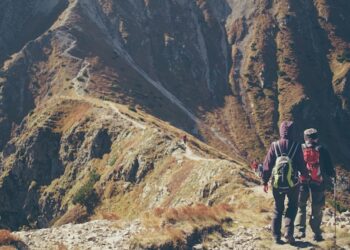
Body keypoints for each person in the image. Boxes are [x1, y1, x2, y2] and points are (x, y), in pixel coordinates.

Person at [262, 121, 309, 245]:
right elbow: (302, 165)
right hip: (293, 184)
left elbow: (267, 165)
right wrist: (305, 176)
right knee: (292, 206)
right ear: (293, 132)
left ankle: (276, 236)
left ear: (281, 131)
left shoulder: (274, 145)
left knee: (278, 209)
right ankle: (288, 232)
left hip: (277, 184)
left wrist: (265, 181)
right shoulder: (296, 145)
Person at [295, 128, 335, 241]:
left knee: (301, 207)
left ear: (305, 138)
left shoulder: (300, 148)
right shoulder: (322, 150)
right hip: (318, 183)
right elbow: (329, 169)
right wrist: (332, 176)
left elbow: (296, 164)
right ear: (317, 138)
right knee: (316, 209)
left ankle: (300, 231)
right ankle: (316, 234)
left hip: (302, 182)